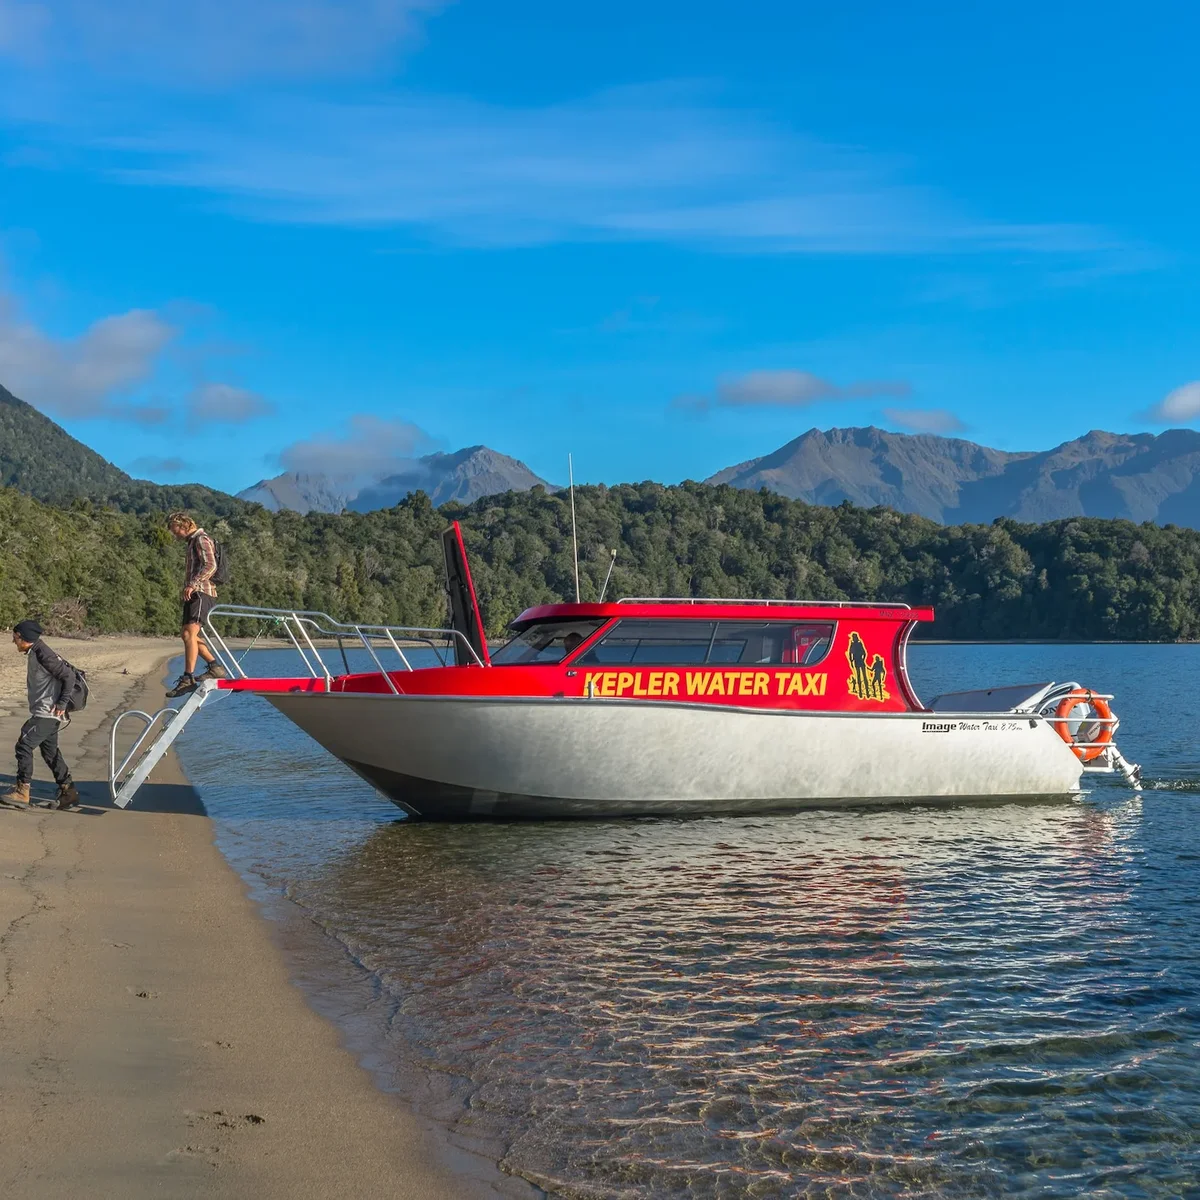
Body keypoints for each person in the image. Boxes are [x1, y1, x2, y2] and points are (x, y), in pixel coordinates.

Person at [2, 620, 80, 811]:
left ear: (24, 638)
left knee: (24, 745)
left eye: (15, 637)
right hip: (47, 713)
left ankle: (22, 792)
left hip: (48, 713)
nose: (14, 641)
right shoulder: (36, 651)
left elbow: (69, 676)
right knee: (50, 753)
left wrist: (62, 703)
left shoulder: (43, 654)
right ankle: (68, 792)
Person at [166, 511, 229, 697]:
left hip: (202, 592)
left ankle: (188, 677)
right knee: (188, 635)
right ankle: (215, 667)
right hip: (195, 592)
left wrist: (193, 584)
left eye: (174, 529)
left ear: (184, 525)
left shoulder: (201, 539)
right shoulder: (193, 542)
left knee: (189, 633)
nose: (174, 534)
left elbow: (210, 565)